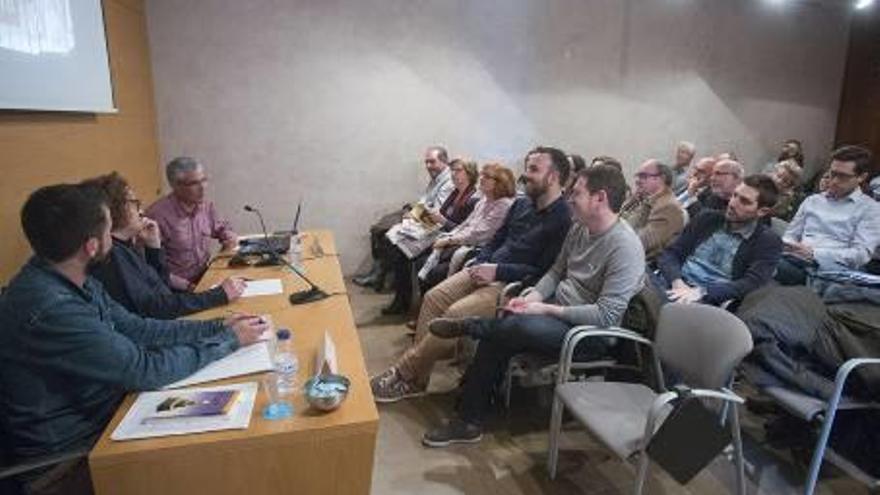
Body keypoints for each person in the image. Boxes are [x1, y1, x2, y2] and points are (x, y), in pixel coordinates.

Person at [0, 184, 268, 495]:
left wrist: (218, 326)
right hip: (72, 460)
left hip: (108, 418)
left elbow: (141, 329)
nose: (113, 239)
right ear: (91, 246)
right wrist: (228, 342)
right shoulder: (53, 308)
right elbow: (143, 369)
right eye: (108, 229)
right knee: (220, 462)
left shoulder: (69, 277)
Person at [418, 165, 645, 447]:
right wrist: (533, 297)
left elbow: (606, 315)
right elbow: (555, 272)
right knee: (503, 329)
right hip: (556, 312)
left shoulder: (625, 247)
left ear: (599, 198)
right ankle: (470, 417)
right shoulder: (580, 228)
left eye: (576, 193)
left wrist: (547, 310)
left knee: (509, 326)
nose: (569, 198)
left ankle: (471, 332)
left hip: (589, 334)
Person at [369, 146, 572, 403]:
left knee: (455, 313)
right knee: (433, 298)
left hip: (511, 284)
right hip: (485, 269)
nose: (526, 174)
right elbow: (497, 239)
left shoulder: (564, 219)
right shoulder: (522, 204)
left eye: (534, 169)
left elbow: (543, 272)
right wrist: (482, 262)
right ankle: (417, 380)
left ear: (553, 177)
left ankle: (405, 371)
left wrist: (496, 270)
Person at [84, 172, 247, 319]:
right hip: (168, 317)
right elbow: (156, 308)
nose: (141, 208)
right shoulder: (112, 257)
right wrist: (217, 295)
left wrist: (154, 247)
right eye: (134, 202)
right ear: (118, 208)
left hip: (178, 302)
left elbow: (160, 287)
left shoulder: (125, 246)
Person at [652, 175, 782, 306]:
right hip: (672, 282)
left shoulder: (768, 241)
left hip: (707, 300)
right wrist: (677, 283)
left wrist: (701, 292)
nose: (732, 203)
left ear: (762, 211)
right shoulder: (708, 218)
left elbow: (751, 283)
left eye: (744, 201)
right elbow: (670, 253)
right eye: (734, 195)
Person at [381, 158, 478, 314]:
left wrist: (441, 220)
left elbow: (463, 229)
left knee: (409, 256)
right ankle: (404, 300)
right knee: (394, 243)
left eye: (458, 170)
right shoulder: (454, 192)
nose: (453, 174)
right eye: (452, 170)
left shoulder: (473, 198)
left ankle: (415, 306)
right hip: (437, 232)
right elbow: (434, 211)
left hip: (451, 240)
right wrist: (416, 216)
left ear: (470, 173)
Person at [353, 146, 455, 289]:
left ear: (445, 161)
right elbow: (424, 202)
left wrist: (414, 214)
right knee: (379, 228)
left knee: (387, 236)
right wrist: (413, 211)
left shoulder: (448, 183)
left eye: (432, 162)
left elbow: (434, 216)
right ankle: (378, 274)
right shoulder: (437, 178)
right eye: (426, 162)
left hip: (432, 227)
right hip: (420, 217)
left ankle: (381, 277)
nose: (428, 166)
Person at [777, 145, 880, 285]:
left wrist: (814, 253)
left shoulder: (871, 209)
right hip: (796, 259)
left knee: (770, 265)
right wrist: (791, 246)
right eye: (833, 173)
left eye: (843, 176)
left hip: (832, 270)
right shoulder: (812, 201)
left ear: (861, 177)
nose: (835, 181)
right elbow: (790, 235)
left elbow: (860, 255)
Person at [145, 156, 238, 291]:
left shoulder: (206, 206)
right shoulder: (157, 216)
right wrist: (189, 287)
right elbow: (152, 268)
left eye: (204, 180)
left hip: (205, 276)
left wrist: (228, 235)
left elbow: (222, 227)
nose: (203, 188)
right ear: (175, 186)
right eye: (194, 183)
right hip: (176, 289)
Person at [418, 163, 517, 288]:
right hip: (463, 240)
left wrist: (449, 240)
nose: (481, 179)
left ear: (500, 182)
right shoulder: (484, 201)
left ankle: (437, 300)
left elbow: (480, 234)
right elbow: (465, 224)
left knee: (435, 271)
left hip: (479, 248)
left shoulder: (503, 205)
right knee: (422, 260)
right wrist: (449, 236)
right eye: (482, 175)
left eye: (487, 176)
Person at [619, 160, 685, 261]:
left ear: (661, 178)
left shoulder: (668, 207)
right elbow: (619, 220)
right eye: (637, 176)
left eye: (643, 176)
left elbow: (641, 243)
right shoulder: (646, 199)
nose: (638, 181)